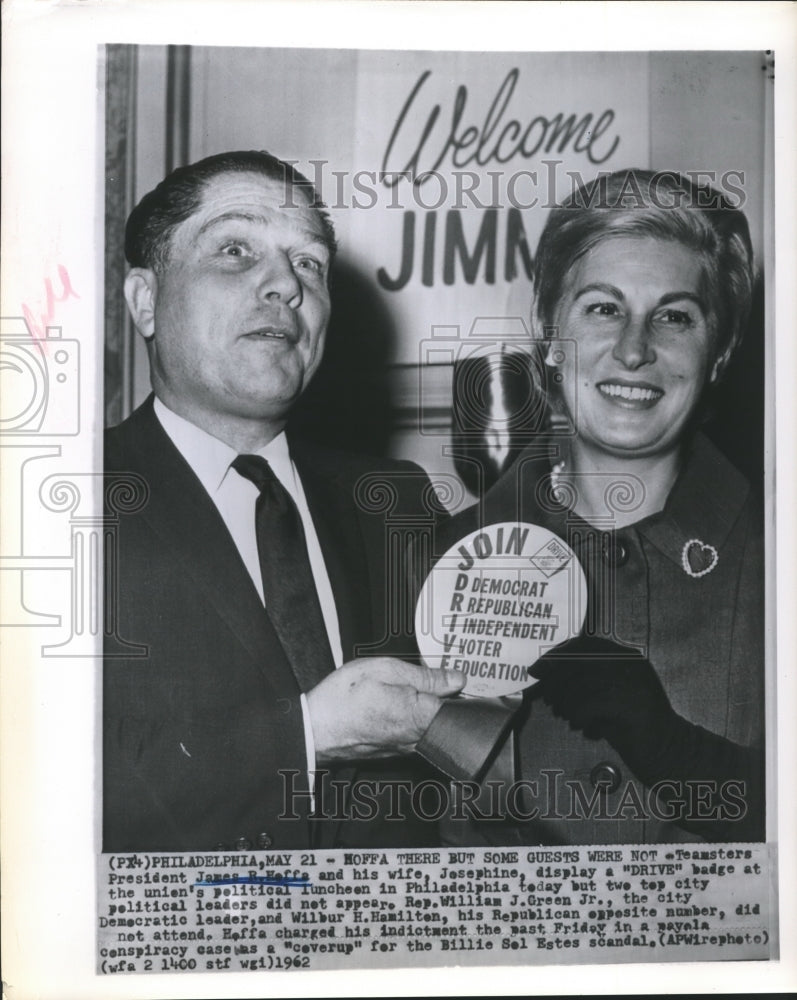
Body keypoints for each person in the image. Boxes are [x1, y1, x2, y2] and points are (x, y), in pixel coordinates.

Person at [102, 150, 464, 853]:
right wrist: (307, 736)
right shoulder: (51, 502)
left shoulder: (395, 503)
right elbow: (37, 790)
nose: (284, 286)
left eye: (309, 265)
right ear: (145, 300)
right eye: (235, 250)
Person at [418, 169, 764, 844]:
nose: (634, 350)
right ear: (548, 331)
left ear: (718, 350)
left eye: (673, 316)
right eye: (602, 309)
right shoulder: (435, 559)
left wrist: (673, 752)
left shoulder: (771, 556)